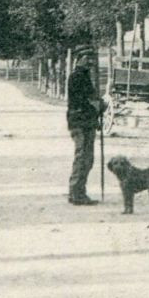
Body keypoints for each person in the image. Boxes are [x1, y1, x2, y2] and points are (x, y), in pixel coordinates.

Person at [66, 47, 105, 205]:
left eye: (92, 58)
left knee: (88, 158)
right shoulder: (76, 77)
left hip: (87, 121)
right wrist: (97, 106)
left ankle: (79, 192)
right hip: (79, 121)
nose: (90, 61)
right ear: (78, 58)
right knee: (82, 157)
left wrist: (99, 105)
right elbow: (81, 100)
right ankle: (76, 193)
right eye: (86, 57)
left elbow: (91, 98)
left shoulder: (86, 75)